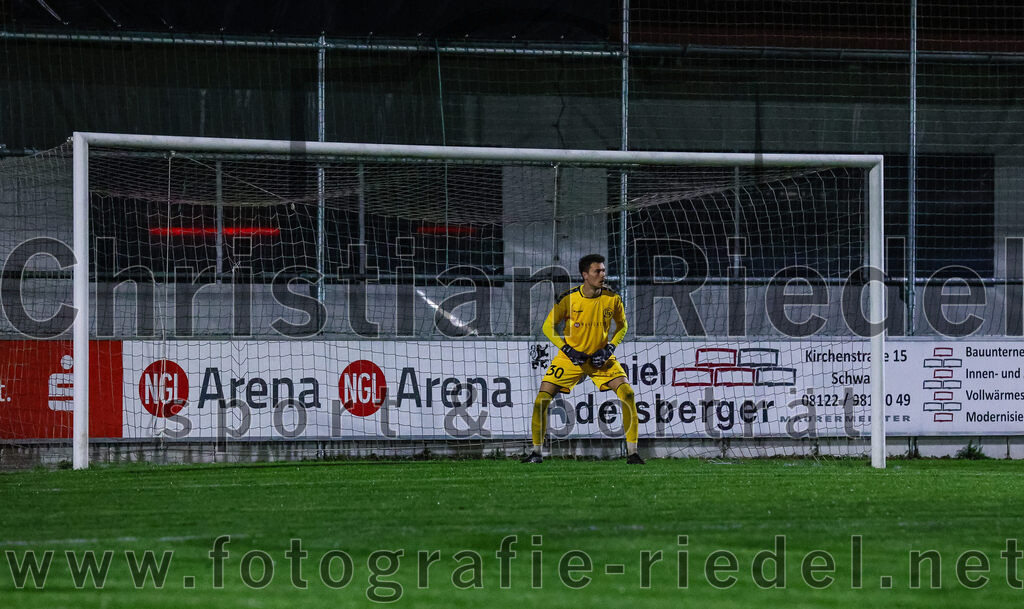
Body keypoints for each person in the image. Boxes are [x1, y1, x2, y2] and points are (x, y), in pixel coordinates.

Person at [522, 254, 644, 464]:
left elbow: (622, 326)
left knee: (628, 394)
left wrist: (610, 348)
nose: (602, 275)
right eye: (597, 271)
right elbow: (547, 327)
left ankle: (633, 453)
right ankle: (536, 453)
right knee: (541, 400)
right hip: (570, 358)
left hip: (600, 359)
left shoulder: (612, 298)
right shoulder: (569, 299)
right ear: (585, 275)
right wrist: (567, 349)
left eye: (603, 270)